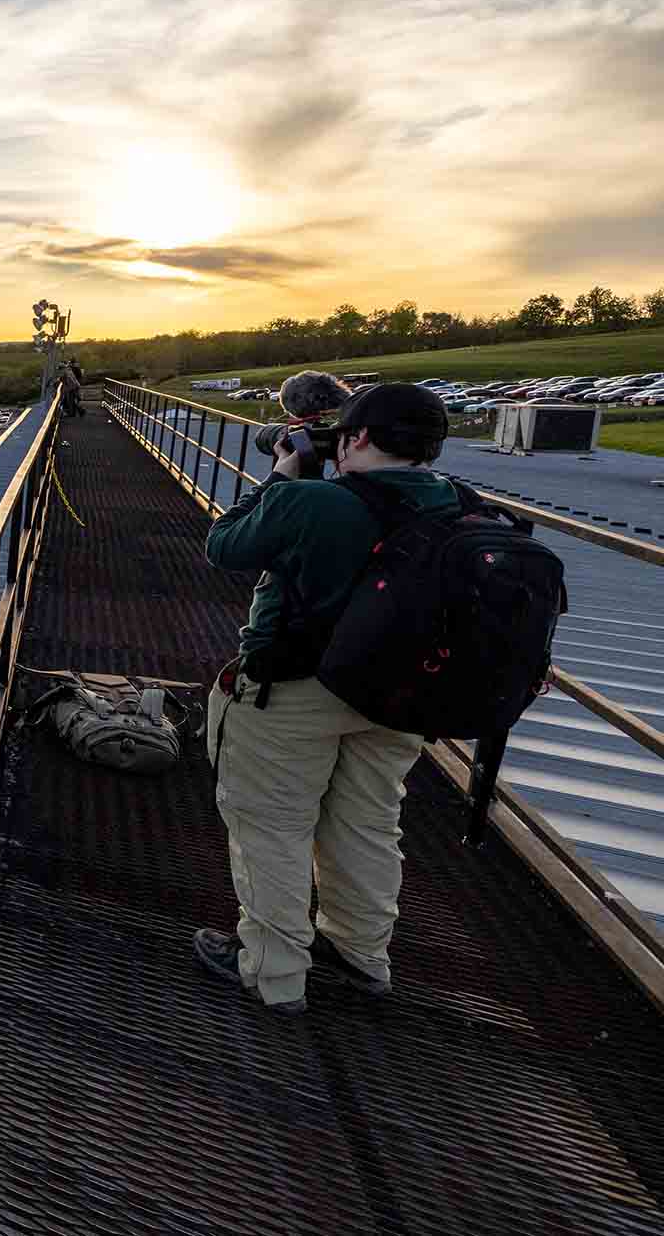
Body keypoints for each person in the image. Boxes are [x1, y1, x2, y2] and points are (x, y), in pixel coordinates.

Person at [195, 382, 459, 1015]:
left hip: (294, 689)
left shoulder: (312, 500)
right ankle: (360, 954)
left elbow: (224, 544)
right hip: (397, 698)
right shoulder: (454, 503)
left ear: (358, 437)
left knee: (272, 825)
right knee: (368, 824)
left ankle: (273, 972)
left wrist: (281, 477)